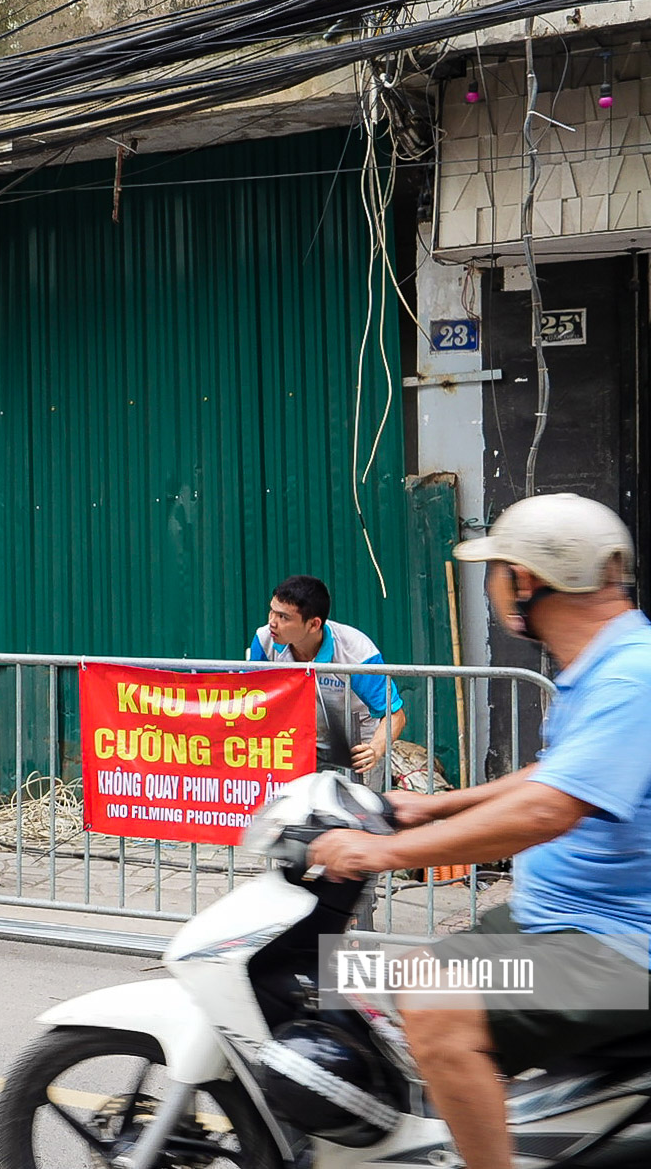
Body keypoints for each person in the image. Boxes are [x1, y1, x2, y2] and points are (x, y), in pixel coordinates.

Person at [310, 494, 651, 1169]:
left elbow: (547, 810)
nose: (492, 584)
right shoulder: (605, 663)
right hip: (570, 920)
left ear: (526, 580)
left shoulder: (630, 675)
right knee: (368, 973)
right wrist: (437, 805)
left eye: (496, 569)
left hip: (620, 949)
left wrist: (385, 849)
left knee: (433, 1001)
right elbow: (552, 777)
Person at [247, 575, 405, 779]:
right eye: (272, 611)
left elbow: (395, 715)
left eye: (283, 617)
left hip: (357, 749)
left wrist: (375, 749)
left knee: (361, 810)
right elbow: (249, 699)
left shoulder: (357, 653)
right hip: (300, 745)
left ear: (314, 625)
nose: (272, 623)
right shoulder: (264, 640)